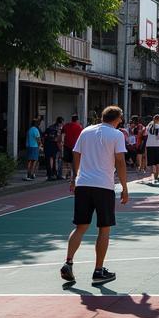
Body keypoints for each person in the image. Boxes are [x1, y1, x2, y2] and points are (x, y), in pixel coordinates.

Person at [60, 104, 130, 286]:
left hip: (83, 184)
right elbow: (120, 161)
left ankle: (68, 262)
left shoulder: (86, 131)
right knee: (104, 228)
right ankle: (98, 271)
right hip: (103, 186)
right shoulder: (116, 135)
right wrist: (124, 186)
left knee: (80, 226)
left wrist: (75, 177)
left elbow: (76, 153)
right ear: (116, 119)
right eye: (121, 118)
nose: (121, 121)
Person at [144, 114, 159, 184]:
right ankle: (156, 176)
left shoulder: (148, 127)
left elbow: (145, 134)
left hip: (149, 145)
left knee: (152, 162)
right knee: (158, 162)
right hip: (158, 145)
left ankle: (154, 175)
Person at [61, 115, 83, 181]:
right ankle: (72, 175)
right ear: (77, 120)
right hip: (76, 146)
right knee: (74, 161)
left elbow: (62, 135)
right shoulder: (79, 127)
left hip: (66, 145)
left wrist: (62, 142)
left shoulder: (66, 125)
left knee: (66, 161)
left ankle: (65, 175)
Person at [43, 117, 62, 181]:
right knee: (54, 159)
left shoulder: (49, 127)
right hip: (53, 145)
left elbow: (44, 137)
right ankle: (54, 174)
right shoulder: (58, 129)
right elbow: (57, 139)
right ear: (60, 123)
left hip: (47, 145)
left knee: (49, 160)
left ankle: (50, 174)